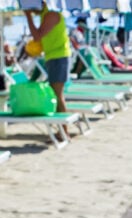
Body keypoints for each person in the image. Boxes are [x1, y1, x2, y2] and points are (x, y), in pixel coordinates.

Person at [24, 2, 71, 140]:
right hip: (54, 57)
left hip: (59, 57)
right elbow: (44, 38)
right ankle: (62, 130)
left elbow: (37, 35)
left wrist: (28, 17)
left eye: (32, 9)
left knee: (57, 94)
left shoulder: (51, 14)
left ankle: (64, 132)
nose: (32, 12)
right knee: (56, 93)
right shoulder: (46, 15)